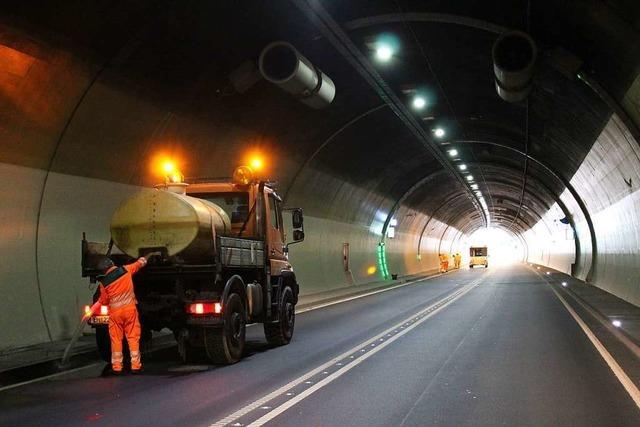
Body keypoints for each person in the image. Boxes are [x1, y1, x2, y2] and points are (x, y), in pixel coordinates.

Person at [88, 254, 151, 374]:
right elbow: (139, 264)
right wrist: (148, 256)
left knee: (116, 340)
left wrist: (93, 309)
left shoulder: (104, 283)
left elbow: (103, 301)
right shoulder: (125, 270)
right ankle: (135, 366)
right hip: (129, 312)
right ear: (112, 264)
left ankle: (117, 367)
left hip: (115, 314)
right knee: (132, 338)